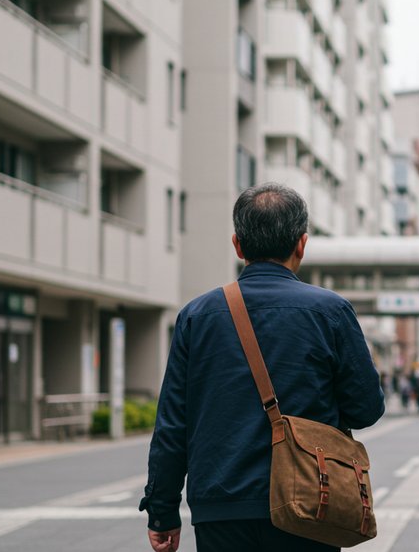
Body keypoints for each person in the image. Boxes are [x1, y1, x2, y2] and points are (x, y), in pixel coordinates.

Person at [139, 183, 385, 552]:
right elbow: (366, 409)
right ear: (301, 244)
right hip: (310, 503)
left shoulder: (197, 316)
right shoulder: (331, 312)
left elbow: (173, 423)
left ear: (237, 245)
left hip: (221, 509)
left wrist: (162, 511)